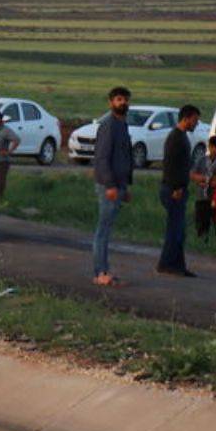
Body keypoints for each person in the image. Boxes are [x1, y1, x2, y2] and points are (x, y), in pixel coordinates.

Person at [91, 86, 133, 286]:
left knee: (107, 229)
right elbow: (101, 158)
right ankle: (100, 272)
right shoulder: (108, 125)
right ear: (110, 102)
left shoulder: (122, 125)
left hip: (118, 185)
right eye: (118, 99)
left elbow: (124, 157)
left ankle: (104, 269)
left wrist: (125, 186)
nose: (122, 102)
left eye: (125, 99)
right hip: (108, 185)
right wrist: (110, 185)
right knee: (103, 230)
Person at [157, 105, 200, 276]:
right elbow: (171, 165)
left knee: (179, 230)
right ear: (186, 118)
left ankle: (178, 265)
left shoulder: (181, 137)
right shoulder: (176, 138)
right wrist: (176, 187)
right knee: (175, 230)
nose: (196, 124)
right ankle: (166, 264)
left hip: (178, 188)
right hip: (173, 189)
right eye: (195, 120)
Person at [190, 136, 216, 241]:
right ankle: (201, 241)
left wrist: (210, 181)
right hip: (202, 197)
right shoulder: (202, 160)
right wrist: (203, 179)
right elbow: (192, 174)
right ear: (209, 147)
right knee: (201, 223)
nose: (215, 150)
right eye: (213, 147)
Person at [0, 112, 20, 203]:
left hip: (2, 160)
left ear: (0, 120)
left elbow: (17, 140)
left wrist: (9, 151)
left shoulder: (6, 130)